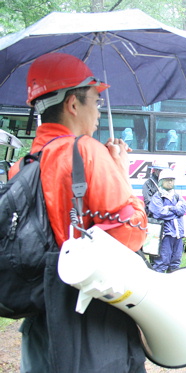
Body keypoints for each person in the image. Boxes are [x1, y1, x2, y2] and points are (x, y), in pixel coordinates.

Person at [10, 53, 148, 372]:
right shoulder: (87, 151)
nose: (98, 112)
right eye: (96, 102)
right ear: (73, 104)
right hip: (91, 317)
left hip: (40, 317)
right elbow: (131, 232)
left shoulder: (22, 165)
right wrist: (122, 173)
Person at [148, 169, 186, 273]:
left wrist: (170, 208)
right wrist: (176, 211)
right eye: (167, 180)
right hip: (165, 234)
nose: (170, 182)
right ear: (161, 182)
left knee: (175, 262)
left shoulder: (177, 196)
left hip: (178, 234)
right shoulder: (157, 196)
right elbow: (159, 213)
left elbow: (183, 209)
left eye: (172, 180)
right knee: (162, 262)